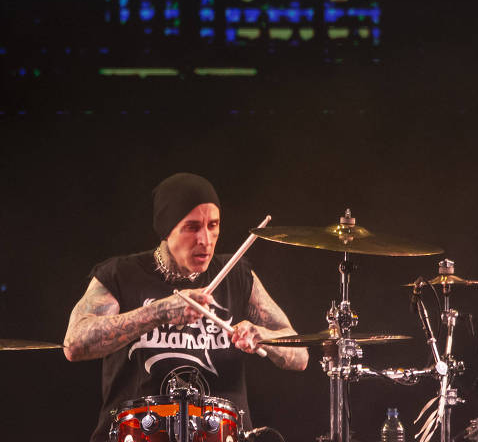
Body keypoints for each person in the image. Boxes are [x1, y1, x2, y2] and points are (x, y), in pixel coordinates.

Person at [63, 172, 309, 442]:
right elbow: (74, 345)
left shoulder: (237, 276)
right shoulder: (121, 274)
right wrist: (158, 312)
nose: (205, 239)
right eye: (192, 227)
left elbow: (300, 357)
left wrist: (262, 336)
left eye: (213, 225)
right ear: (166, 229)